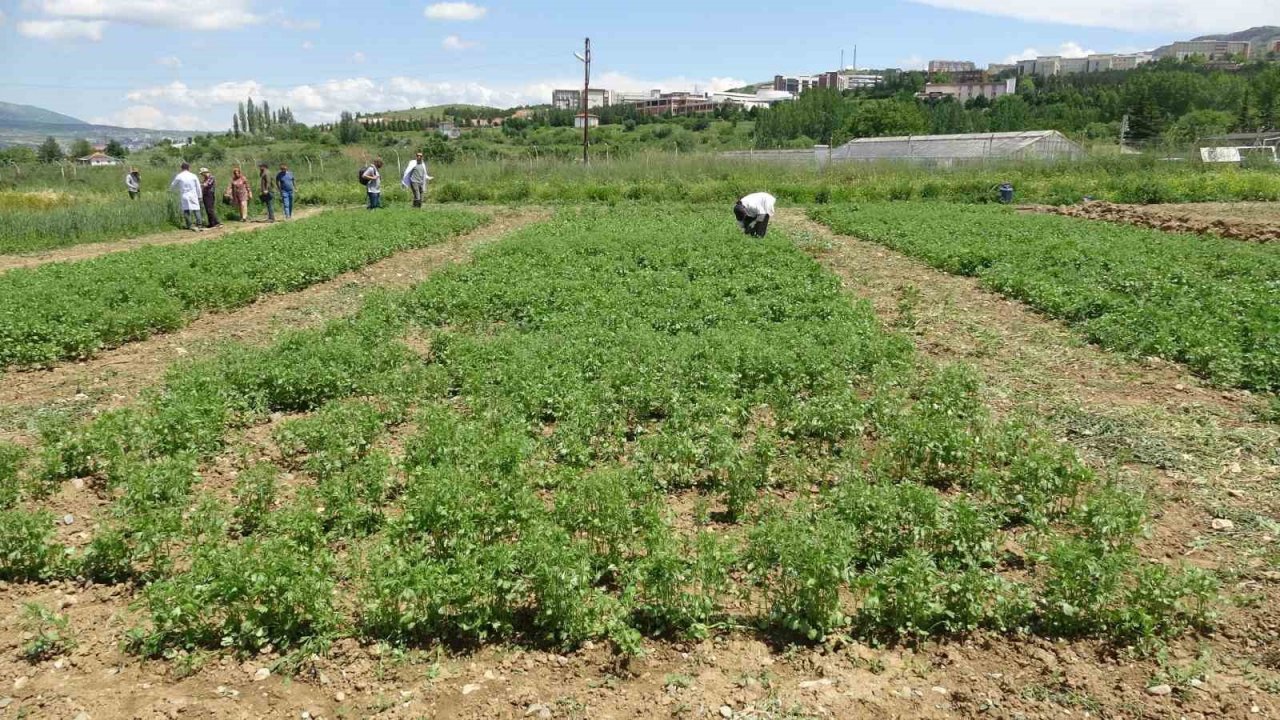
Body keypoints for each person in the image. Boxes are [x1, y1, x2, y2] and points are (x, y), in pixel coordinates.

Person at [169, 162, 203, 231]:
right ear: (189, 168)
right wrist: (200, 195)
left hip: (185, 195)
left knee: (186, 210)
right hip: (193, 194)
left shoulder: (179, 175)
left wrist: (170, 190)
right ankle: (199, 224)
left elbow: (173, 185)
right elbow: (198, 187)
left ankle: (189, 225)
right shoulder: (193, 175)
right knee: (196, 209)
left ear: (181, 168)